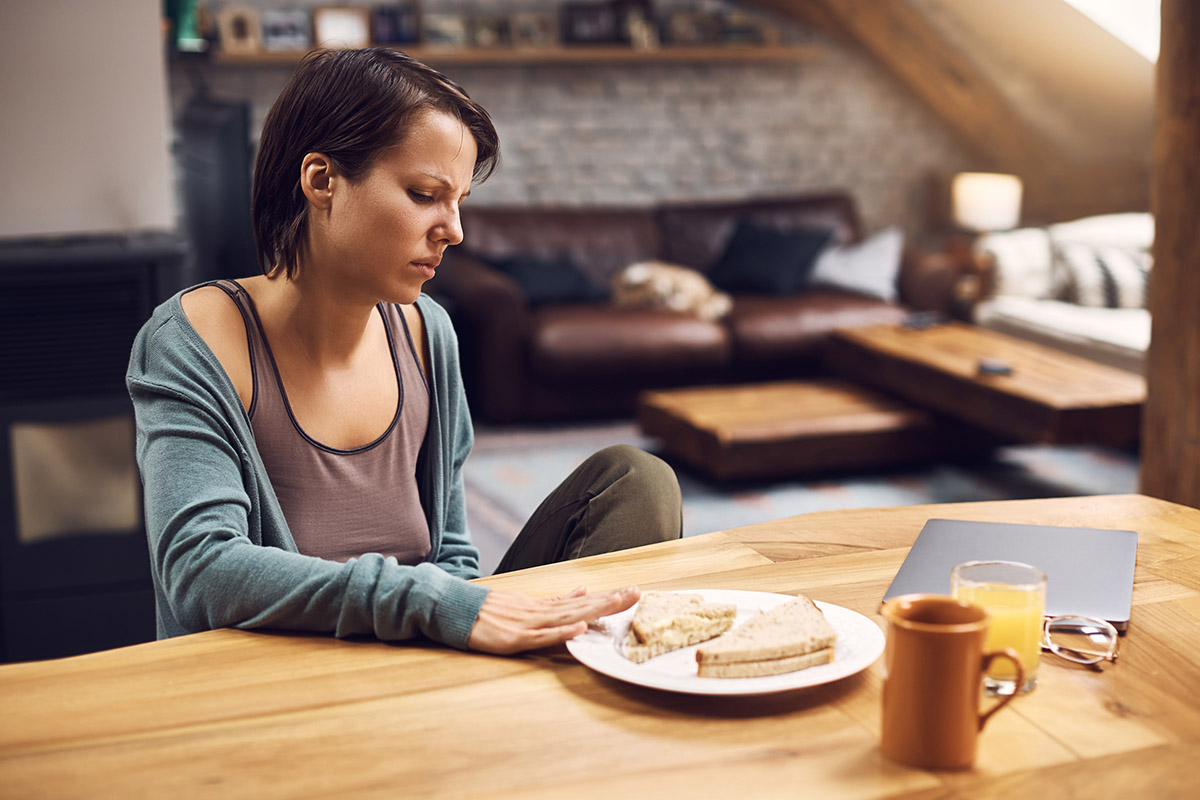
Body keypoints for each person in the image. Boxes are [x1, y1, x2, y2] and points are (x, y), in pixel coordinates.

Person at [127, 47, 682, 656]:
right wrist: (436, 604)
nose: (454, 229)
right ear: (321, 181)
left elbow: (450, 553)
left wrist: (472, 617)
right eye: (424, 194)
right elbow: (201, 572)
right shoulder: (193, 340)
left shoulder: (426, 333)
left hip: (424, 670)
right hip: (278, 691)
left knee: (637, 481)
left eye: (459, 201)